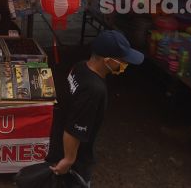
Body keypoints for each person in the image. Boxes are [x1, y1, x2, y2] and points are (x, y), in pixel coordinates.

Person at [46, 30, 144, 186]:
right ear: (107, 60)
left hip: (58, 142)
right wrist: (69, 159)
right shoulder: (94, 90)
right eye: (122, 60)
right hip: (76, 158)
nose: (125, 64)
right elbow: (75, 129)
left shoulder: (80, 66)